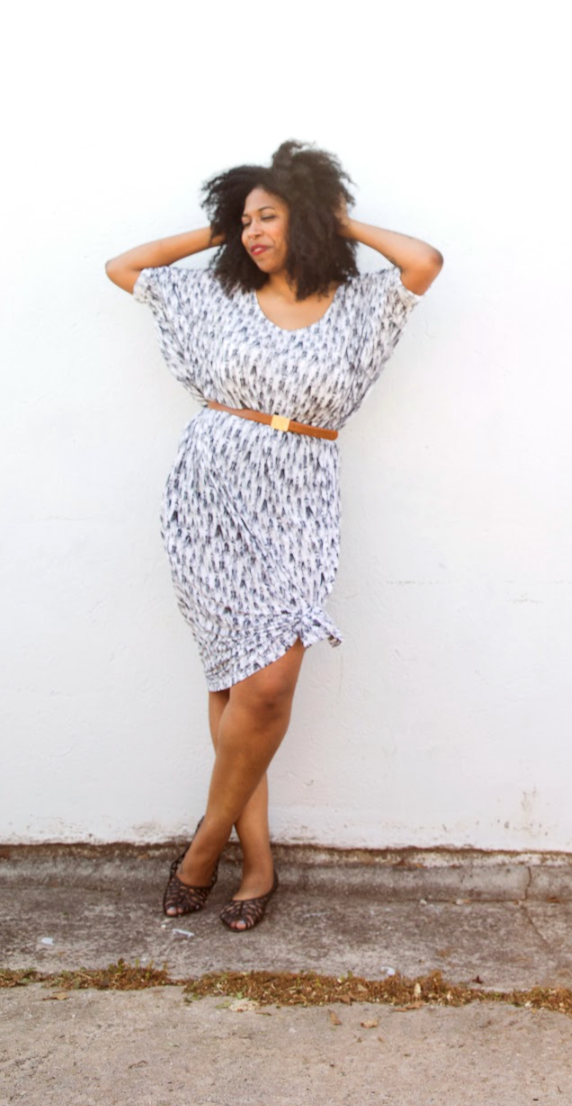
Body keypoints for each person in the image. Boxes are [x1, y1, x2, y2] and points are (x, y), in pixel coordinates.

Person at [105, 140, 442, 930]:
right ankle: (256, 864)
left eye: (268, 215)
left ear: (310, 216)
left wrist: (342, 221)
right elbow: (126, 265)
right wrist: (219, 234)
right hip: (213, 489)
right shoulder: (219, 297)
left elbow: (424, 259)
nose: (253, 230)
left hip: (300, 495)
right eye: (243, 217)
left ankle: (202, 848)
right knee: (236, 686)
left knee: (266, 687)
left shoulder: (360, 304)